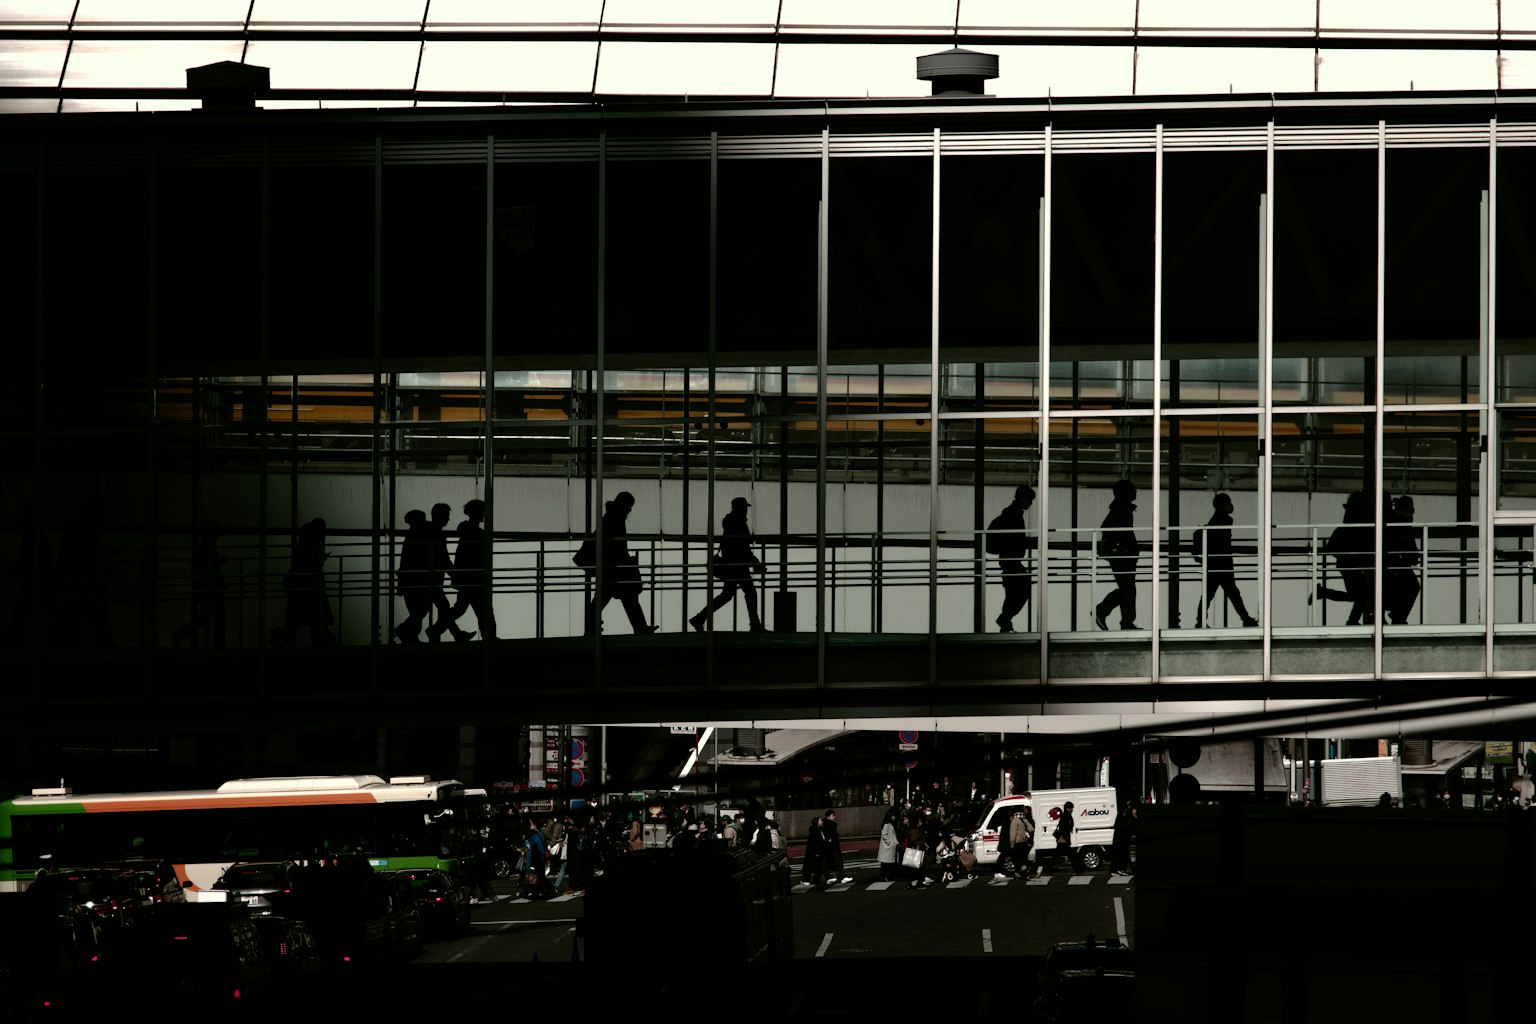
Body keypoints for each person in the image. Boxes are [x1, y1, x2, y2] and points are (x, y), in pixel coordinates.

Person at [585, 491, 657, 635]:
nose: (630, 510)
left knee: (606, 598)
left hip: (610, 567)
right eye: (630, 506)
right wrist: (627, 561)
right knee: (627, 597)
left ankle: (590, 628)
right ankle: (640, 628)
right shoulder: (616, 517)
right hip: (614, 568)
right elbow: (617, 546)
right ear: (624, 505)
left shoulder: (611, 516)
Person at [689, 496, 765, 632]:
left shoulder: (730, 521)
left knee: (727, 595)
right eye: (745, 508)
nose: (746, 511)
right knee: (750, 592)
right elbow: (742, 546)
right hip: (738, 565)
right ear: (740, 508)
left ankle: (700, 618)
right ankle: (754, 624)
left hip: (732, 564)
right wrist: (755, 562)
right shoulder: (738, 522)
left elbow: (738, 545)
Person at [1193, 492, 1259, 628]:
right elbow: (1222, 544)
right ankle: (1245, 618)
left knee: (1212, 594)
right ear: (1221, 505)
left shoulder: (1218, 520)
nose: (1230, 505)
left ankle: (1201, 621)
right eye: (1228, 503)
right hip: (1221, 564)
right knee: (1230, 593)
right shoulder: (1221, 520)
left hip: (1215, 564)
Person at [270, 517, 334, 647]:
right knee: (315, 617)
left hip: (302, 585)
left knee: (298, 616)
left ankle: (285, 637)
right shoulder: (313, 545)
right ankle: (322, 641)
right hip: (311, 585)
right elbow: (311, 564)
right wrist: (321, 559)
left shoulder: (304, 543)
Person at [1320, 490, 1376, 625]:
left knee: (1360, 594)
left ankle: (1351, 620)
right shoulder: (1362, 522)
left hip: (1347, 563)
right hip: (1354, 563)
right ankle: (1351, 620)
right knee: (1361, 594)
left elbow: (1332, 547)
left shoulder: (1347, 524)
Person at [987, 484, 1036, 632]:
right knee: (1022, 590)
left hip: (1008, 560)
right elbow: (1015, 539)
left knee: (1014, 592)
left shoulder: (1011, 514)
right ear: (1022, 499)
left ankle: (1005, 621)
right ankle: (1005, 619)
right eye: (1030, 500)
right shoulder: (1014, 516)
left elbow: (1013, 539)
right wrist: (1032, 542)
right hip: (1011, 560)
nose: (1030, 504)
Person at [445, 498, 497, 639]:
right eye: (482, 511)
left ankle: (437, 628)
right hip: (474, 577)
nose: (484, 514)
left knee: (462, 608)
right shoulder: (475, 532)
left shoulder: (466, 530)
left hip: (468, 577)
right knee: (483, 608)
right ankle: (490, 636)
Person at [170, 520, 227, 648]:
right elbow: (209, 567)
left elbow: (205, 566)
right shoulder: (208, 546)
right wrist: (220, 562)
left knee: (206, 617)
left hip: (208, 588)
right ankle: (218, 645)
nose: (218, 535)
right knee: (218, 616)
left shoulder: (204, 546)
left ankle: (180, 634)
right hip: (211, 588)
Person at [424, 502, 474, 642]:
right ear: (440, 516)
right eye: (446, 515)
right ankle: (439, 632)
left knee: (443, 607)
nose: (448, 519)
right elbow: (443, 558)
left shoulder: (432, 531)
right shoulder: (437, 533)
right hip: (433, 578)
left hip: (430, 577)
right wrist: (455, 574)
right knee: (444, 606)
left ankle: (445, 633)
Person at [1094, 480, 1140, 630]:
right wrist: (1131, 548)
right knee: (1128, 589)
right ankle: (1103, 611)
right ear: (1125, 493)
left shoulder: (1119, 508)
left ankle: (1125, 621)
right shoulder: (1123, 508)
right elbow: (1116, 530)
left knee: (1128, 589)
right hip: (1123, 555)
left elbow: (1108, 528)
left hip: (1121, 555)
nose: (1136, 492)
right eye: (1133, 490)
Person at [392, 509, 433, 643]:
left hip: (410, 579)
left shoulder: (412, 535)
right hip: (417, 579)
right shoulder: (418, 534)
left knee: (417, 610)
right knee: (421, 609)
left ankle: (408, 635)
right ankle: (405, 632)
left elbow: (405, 560)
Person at [1385, 494, 1421, 625]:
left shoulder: (1398, 518)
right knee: (1412, 587)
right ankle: (1397, 616)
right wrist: (1413, 555)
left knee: (1404, 587)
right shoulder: (1403, 520)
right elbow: (1406, 541)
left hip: (1395, 560)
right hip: (1398, 561)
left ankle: (1396, 614)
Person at [823, 809, 851, 884]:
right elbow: (830, 835)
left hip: (831, 846)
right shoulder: (828, 825)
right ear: (828, 817)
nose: (834, 817)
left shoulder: (830, 824)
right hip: (831, 847)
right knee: (836, 862)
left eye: (834, 815)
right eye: (832, 816)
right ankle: (842, 877)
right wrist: (830, 839)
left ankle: (831, 877)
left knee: (826, 863)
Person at [1111, 802, 1136, 875]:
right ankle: (1121, 869)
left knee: (1120, 856)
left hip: (1120, 840)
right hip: (1122, 841)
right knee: (1123, 856)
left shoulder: (1121, 818)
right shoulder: (1129, 818)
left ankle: (1115, 870)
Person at [802, 815, 826, 885]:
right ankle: (807, 879)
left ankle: (815, 880)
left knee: (817, 866)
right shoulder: (815, 831)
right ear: (817, 822)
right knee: (813, 866)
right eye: (820, 820)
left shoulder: (820, 830)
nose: (822, 822)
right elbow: (815, 843)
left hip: (818, 851)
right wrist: (816, 852)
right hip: (814, 852)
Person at [877, 809, 900, 881]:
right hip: (888, 847)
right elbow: (884, 835)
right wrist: (891, 842)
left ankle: (887, 876)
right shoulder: (887, 825)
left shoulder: (890, 824)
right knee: (886, 864)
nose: (894, 817)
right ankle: (885, 876)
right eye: (893, 815)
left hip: (889, 847)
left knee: (887, 864)